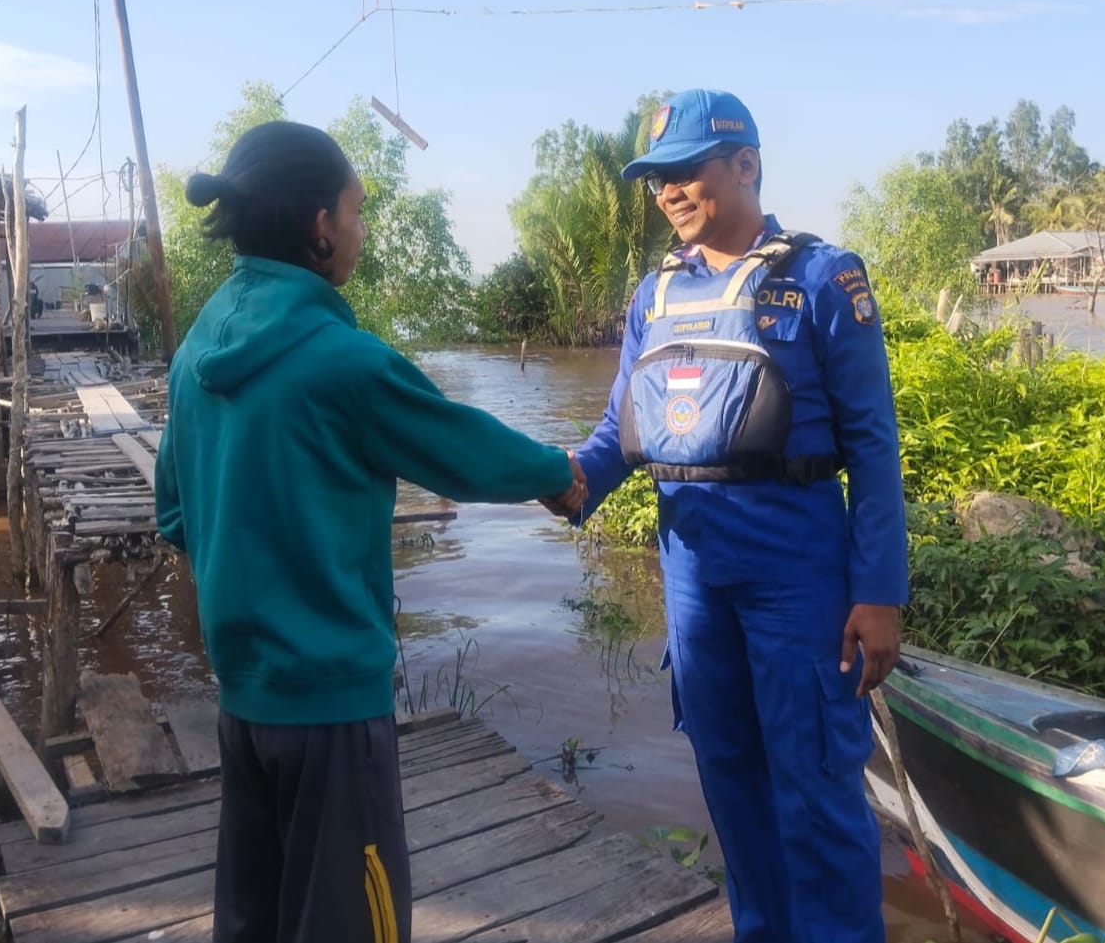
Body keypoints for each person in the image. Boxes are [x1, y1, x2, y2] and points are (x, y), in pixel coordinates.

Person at [154, 120, 586, 943]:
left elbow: (174, 514)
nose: (359, 228)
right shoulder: (342, 360)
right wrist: (554, 472)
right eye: (355, 211)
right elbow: (459, 447)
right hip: (331, 710)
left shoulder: (193, 352)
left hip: (243, 701)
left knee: (255, 919)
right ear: (320, 227)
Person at [556, 90, 908, 943]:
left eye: (685, 171)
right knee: (731, 781)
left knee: (816, 788)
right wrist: (560, 479)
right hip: (694, 582)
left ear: (745, 164)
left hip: (799, 577)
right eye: (655, 181)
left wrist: (879, 592)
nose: (668, 192)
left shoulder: (824, 277)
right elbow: (618, 432)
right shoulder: (655, 294)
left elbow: (872, 447)